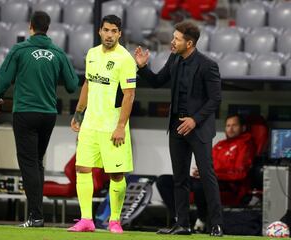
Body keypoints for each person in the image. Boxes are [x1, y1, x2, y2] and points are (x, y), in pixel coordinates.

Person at [134, 21, 223, 236]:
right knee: (179, 178)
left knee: (207, 176)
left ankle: (216, 224)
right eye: (173, 37)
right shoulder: (174, 59)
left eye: (176, 39)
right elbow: (156, 82)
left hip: (198, 128)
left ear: (189, 43)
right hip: (176, 127)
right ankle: (183, 224)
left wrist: (195, 119)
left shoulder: (207, 65)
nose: (172, 42)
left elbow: (215, 99)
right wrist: (143, 67)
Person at [0, 11, 79, 227]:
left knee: (28, 163)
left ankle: (36, 216)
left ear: (30, 26)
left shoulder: (20, 50)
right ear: (48, 28)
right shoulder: (58, 53)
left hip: (25, 112)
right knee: (36, 162)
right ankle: (36, 214)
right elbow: (72, 84)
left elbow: (4, 78)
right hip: (48, 114)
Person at [68, 15, 136, 234]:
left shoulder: (125, 59)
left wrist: (120, 126)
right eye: (106, 30)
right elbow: (88, 84)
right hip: (90, 124)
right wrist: (79, 113)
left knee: (116, 175)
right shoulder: (92, 54)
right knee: (82, 168)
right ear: (100, 31)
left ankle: (115, 220)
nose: (109, 35)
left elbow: (129, 95)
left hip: (112, 126)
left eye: (114, 31)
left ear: (119, 34)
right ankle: (87, 219)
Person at [156, 114, 256, 232]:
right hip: (208, 178)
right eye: (228, 125)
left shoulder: (246, 144)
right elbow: (208, 165)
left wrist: (213, 174)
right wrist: (201, 171)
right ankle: (179, 218)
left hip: (228, 186)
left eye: (234, 125)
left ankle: (201, 220)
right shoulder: (220, 145)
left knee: (201, 184)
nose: (230, 128)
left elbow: (241, 173)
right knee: (163, 181)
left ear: (243, 128)